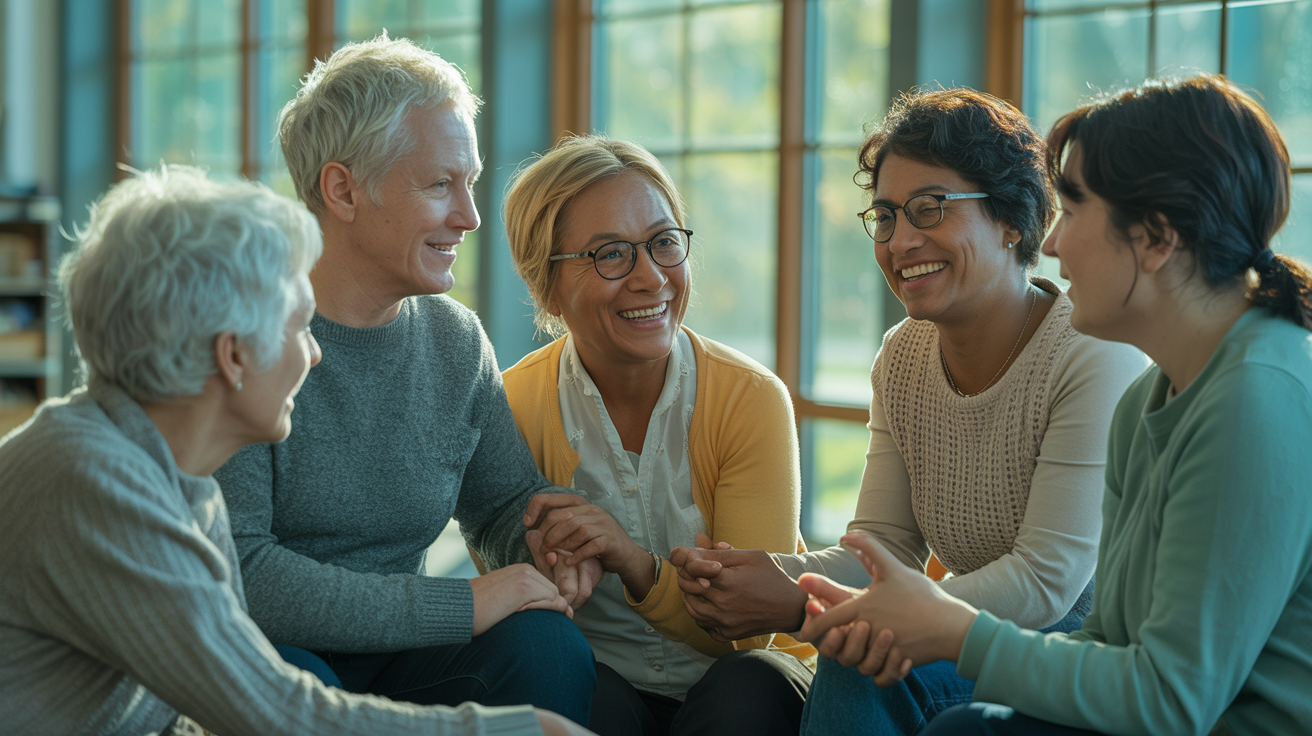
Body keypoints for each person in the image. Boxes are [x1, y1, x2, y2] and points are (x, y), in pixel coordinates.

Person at [799, 74, 1312, 736]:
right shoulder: (1149, 402)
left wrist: (957, 631)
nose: (1057, 243)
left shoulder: (1258, 398)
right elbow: (1110, 645)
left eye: (1072, 211)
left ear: (1156, 237)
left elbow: (1173, 700)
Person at [0, 165, 591, 736]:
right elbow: (274, 715)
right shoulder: (91, 480)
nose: (314, 354)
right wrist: (520, 731)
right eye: (299, 326)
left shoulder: (174, 478)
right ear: (233, 356)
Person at [670, 88, 1149, 734]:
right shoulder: (903, 356)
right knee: (762, 681)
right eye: (887, 216)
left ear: (1011, 220)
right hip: (968, 641)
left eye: (930, 209)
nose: (901, 241)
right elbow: (883, 551)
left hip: (1080, 654)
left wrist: (824, 611)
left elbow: (1044, 586)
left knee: (866, 661)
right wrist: (769, 575)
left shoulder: (1091, 352)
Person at [213, 34, 597, 723]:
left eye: (470, 182)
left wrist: (549, 545)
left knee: (548, 648)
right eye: (441, 184)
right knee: (275, 682)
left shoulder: (454, 340)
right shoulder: (244, 341)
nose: (470, 217)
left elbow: (507, 501)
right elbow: (245, 572)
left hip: (404, 656)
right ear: (343, 189)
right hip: (278, 654)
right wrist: (465, 603)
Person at [499, 135, 816, 736]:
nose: (652, 278)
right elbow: (533, 609)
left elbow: (752, 627)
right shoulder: (514, 406)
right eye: (611, 254)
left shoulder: (749, 399)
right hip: (604, 679)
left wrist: (633, 563)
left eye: (665, 243)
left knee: (746, 690)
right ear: (548, 283)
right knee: (580, 690)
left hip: (754, 678)